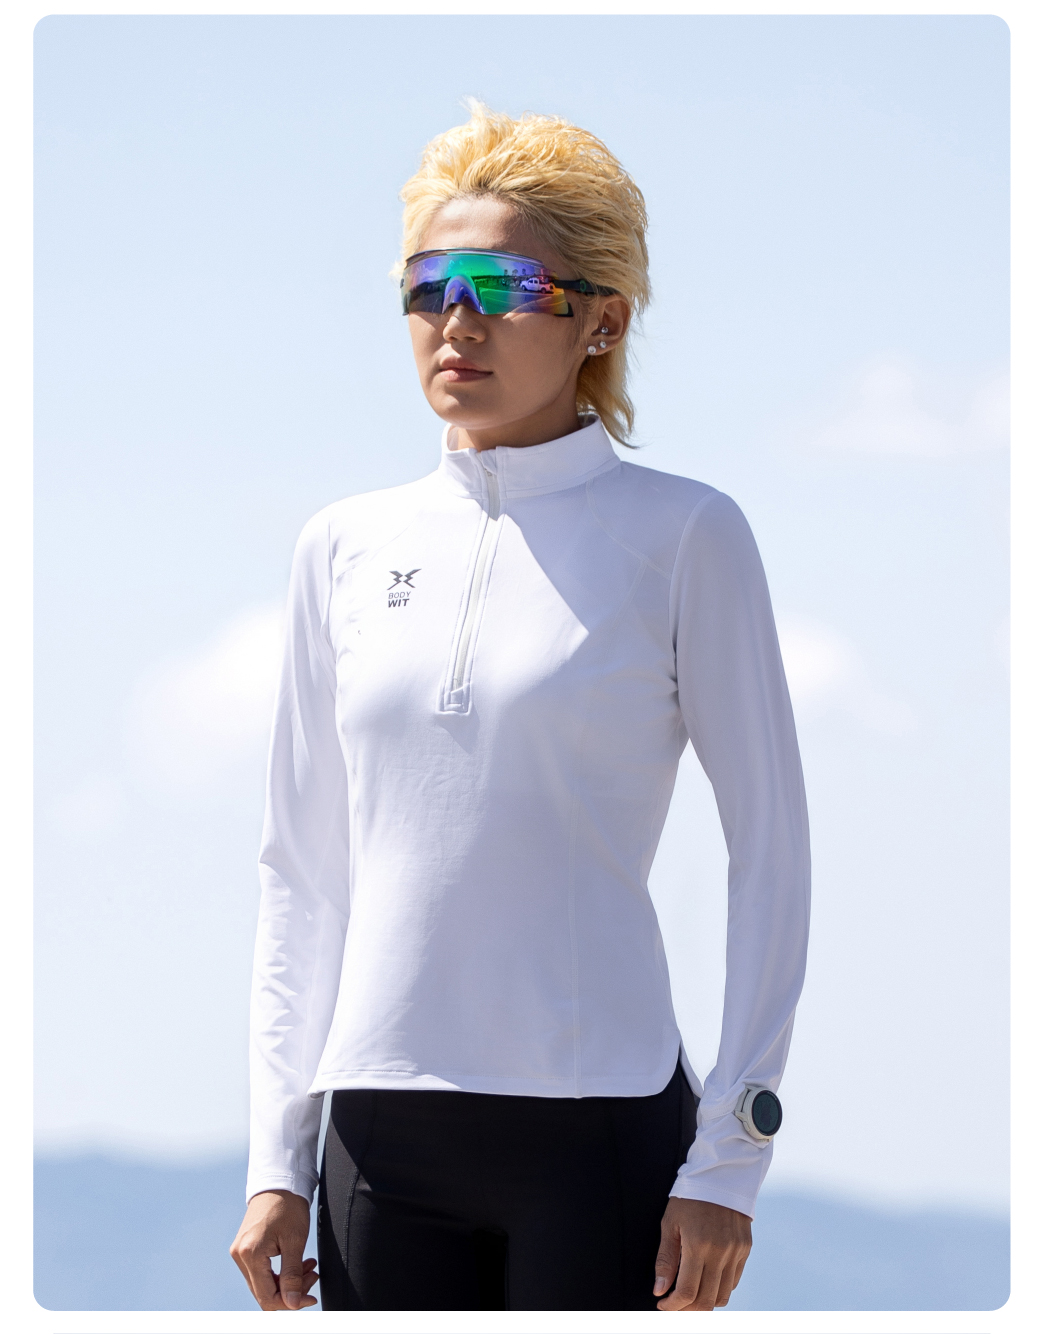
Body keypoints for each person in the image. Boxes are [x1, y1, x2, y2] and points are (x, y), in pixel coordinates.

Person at [230, 102, 810, 1313]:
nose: (457, 318)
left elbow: (771, 849)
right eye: (427, 284)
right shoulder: (341, 545)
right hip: (376, 1133)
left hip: (599, 1131)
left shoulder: (685, 534)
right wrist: (275, 1157)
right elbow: (302, 870)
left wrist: (733, 1156)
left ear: (605, 318)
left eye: (503, 284)